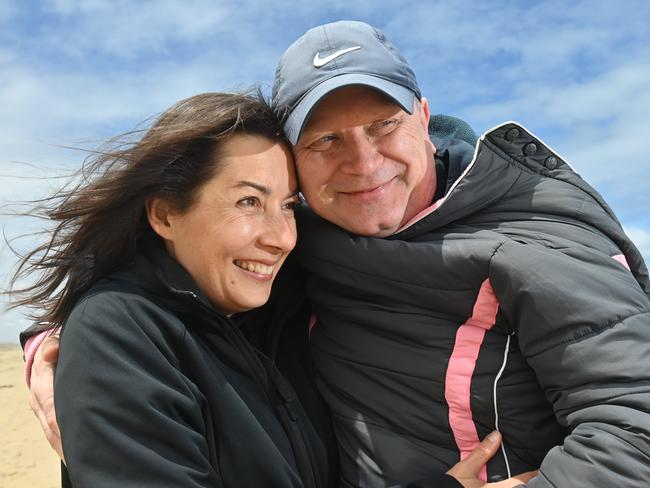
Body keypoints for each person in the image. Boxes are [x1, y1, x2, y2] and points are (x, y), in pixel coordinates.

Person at [24, 20, 650, 487]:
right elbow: (162, 266)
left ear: (424, 117)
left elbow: (637, 424)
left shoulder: (538, 237)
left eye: (383, 124)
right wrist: (64, 349)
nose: (364, 162)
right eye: (325, 139)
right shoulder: (304, 234)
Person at [13, 91, 528, 488]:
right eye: (247, 203)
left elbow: (418, 180)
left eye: (287, 205)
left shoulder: (272, 309)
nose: (281, 238)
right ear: (165, 213)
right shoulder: (121, 334)